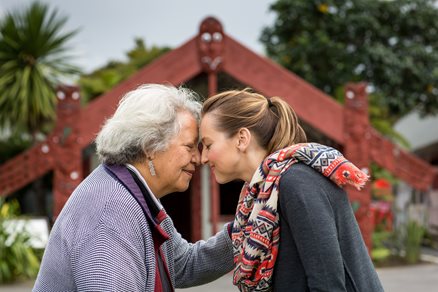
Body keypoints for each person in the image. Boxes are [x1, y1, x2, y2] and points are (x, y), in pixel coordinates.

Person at [33, 84, 234, 291]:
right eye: (189, 146)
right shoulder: (111, 210)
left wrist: (247, 227)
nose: (198, 158)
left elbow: (183, 264)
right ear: (150, 147)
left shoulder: (130, 193)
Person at [200, 89, 384, 291]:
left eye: (208, 145)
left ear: (242, 139)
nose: (203, 158)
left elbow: (328, 284)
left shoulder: (297, 181)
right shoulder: (260, 195)